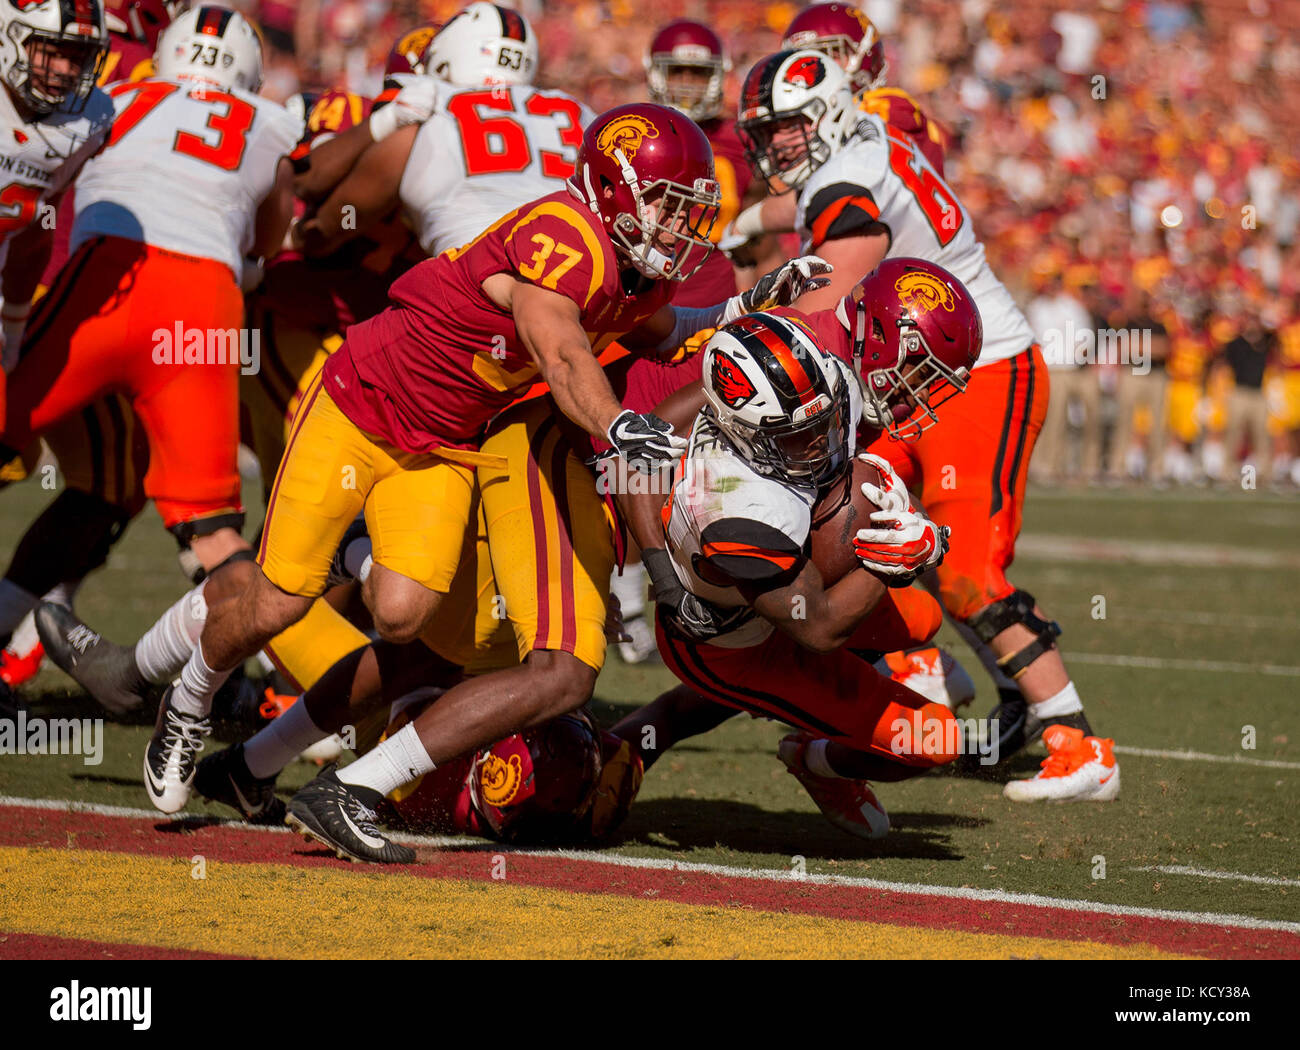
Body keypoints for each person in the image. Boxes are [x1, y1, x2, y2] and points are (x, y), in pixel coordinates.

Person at [724, 49, 1120, 803]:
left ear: (828, 114)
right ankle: (929, 680)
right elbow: (807, 203)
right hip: (918, 377)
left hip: (978, 374)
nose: (774, 142)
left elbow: (840, 265)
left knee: (966, 567)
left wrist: (749, 323)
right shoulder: (863, 144)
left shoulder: (845, 179)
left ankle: (1079, 741)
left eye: (786, 125)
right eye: (765, 128)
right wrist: (744, 224)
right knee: (853, 528)